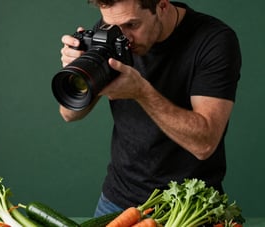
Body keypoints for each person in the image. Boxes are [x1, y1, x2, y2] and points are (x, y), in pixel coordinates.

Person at [58, 0, 241, 217]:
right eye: (112, 26)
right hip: (117, 201)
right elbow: (69, 113)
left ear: (162, 6)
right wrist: (79, 70)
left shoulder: (213, 40)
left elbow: (205, 144)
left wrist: (142, 92)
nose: (123, 38)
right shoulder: (109, 31)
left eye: (132, 26)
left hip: (189, 205)